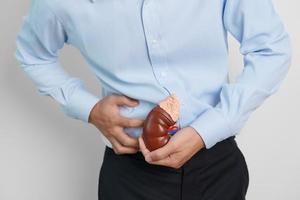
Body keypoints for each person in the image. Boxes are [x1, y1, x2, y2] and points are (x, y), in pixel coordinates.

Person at [15, 0, 292, 199]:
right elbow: (33, 56)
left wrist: (209, 128)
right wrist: (88, 109)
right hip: (130, 174)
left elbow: (271, 50)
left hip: (217, 165)